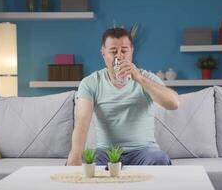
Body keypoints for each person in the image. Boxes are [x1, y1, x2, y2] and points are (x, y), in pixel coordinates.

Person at [66, 27, 179, 166]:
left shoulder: (146, 78)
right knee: (88, 162)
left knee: (160, 159)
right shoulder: (91, 83)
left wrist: (139, 78)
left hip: (144, 151)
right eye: (113, 51)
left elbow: (174, 103)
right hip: (106, 152)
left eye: (124, 51)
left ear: (132, 51)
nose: (119, 56)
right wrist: (75, 155)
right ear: (103, 53)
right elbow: (82, 122)